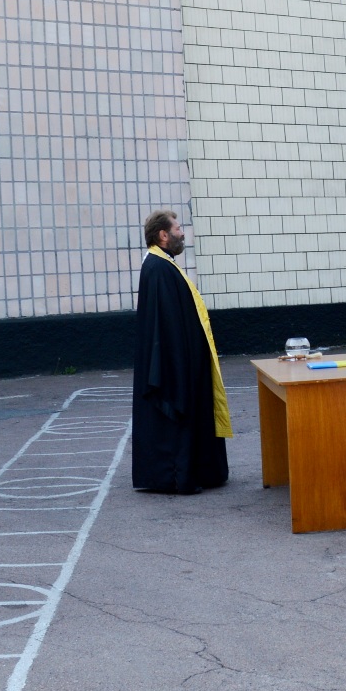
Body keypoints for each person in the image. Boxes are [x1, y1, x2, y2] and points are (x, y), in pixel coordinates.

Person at [133, 210, 232, 493]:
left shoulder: (164, 265)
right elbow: (165, 326)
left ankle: (202, 471)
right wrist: (181, 364)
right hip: (175, 364)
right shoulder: (158, 268)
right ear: (163, 235)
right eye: (177, 228)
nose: (182, 232)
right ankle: (177, 475)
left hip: (184, 360)